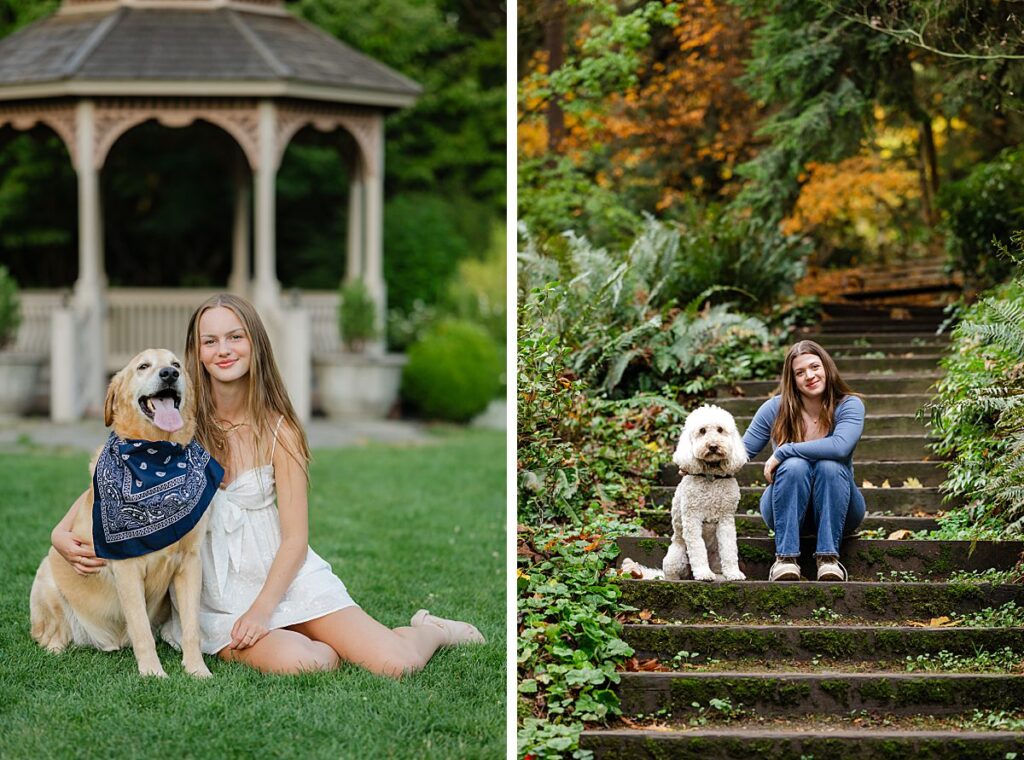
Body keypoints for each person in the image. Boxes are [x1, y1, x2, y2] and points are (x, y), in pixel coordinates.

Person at [51, 293, 484, 676]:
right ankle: (304, 639)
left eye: (235, 337)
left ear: (255, 343)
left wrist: (263, 612)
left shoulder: (281, 431)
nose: (224, 350)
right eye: (210, 341)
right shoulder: (179, 424)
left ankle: (430, 631)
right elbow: (114, 479)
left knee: (396, 663)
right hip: (217, 595)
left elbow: (295, 539)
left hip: (284, 576)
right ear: (196, 353)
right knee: (310, 662)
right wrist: (59, 533)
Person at [741, 340, 866, 582]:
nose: (810, 376)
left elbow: (840, 447)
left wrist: (784, 450)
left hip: (840, 508)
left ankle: (829, 559)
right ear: (792, 379)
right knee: (795, 466)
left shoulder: (849, 404)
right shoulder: (774, 409)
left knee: (829, 465)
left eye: (815, 367)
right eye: (800, 372)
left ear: (827, 368)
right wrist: (697, 462)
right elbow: (739, 452)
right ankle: (785, 559)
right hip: (784, 508)